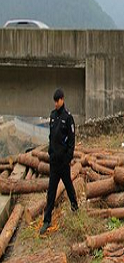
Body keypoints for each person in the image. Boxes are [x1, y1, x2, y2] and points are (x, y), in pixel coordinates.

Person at [40, 88, 78, 235]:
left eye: (57, 101)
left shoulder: (68, 118)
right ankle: (47, 220)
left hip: (63, 162)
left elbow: (72, 141)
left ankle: (75, 208)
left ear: (62, 99)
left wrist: (68, 158)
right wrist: (50, 152)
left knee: (68, 186)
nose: (56, 103)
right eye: (54, 101)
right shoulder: (53, 115)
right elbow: (51, 137)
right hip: (54, 162)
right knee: (51, 191)